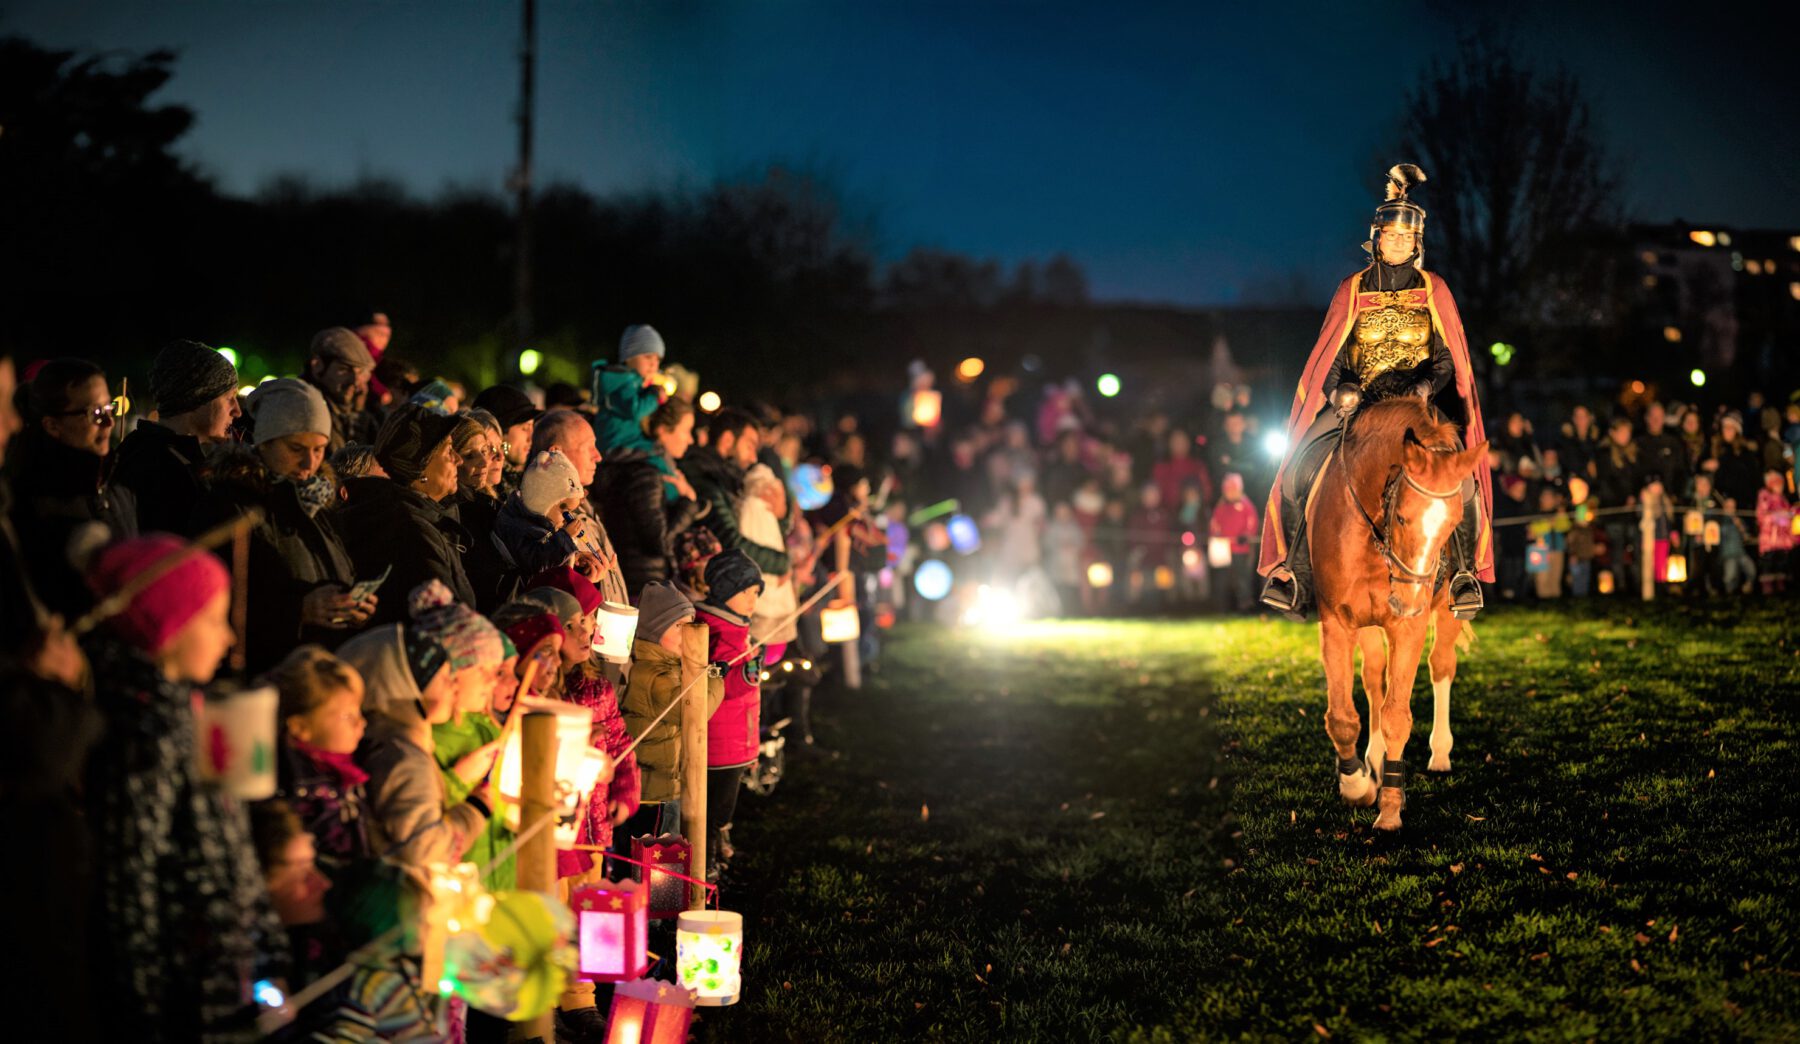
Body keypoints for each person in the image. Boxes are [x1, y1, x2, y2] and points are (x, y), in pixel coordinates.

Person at [1258, 164, 1492, 620]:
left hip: (1415, 406)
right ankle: (1295, 575)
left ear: (1417, 242)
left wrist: (1425, 387)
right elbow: (1331, 354)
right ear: (1377, 238)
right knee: (1295, 473)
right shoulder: (1352, 288)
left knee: (1463, 482)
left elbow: (1448, 358)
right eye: (1392, 236)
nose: (1399, 243)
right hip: (1358, 404)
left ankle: (1463, 575)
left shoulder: (1433, 289)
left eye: (1407, 238)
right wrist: (1341, 388)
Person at [82, 535, 286, 1040]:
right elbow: (129, 880)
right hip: (182, 991)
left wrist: (266, 948)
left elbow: (230, 846)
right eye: (214, 620)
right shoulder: (143, 732)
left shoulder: (185, 714)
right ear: (167, 627)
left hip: (222, 971)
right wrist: (145, 1008)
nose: (229, 639)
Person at [191, 379, 371, 673]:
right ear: (265, 442)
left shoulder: (318, 501)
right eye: (296, 447)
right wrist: (298, 611)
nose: (309, 462)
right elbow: (219, 607)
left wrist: (350, 606)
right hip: (268, 676)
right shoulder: (230, 506)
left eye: (320, 449)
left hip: (319, 673)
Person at [7, 357, 138, 621]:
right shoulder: (31, 502)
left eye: (109, 408)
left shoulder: (118, 489)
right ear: (52, 425)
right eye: (95, 413)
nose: (109, 423)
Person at [338, 622, 475, 869]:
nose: (455, 685)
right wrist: (473, 814)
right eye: (444, 678)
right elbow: (425, 851)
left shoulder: (399, 744)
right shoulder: (402, 757)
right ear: (403, 686)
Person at [337, 402, 476, 620]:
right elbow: (447, 618)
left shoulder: (422, 516)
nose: (458, 460)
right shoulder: (410, 529)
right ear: (421, 468)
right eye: (449, 451)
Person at [111, 339, 240, 534]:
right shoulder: (155, 470)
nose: (237, 411)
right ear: (197, 397)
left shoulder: (177, 458)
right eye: (229, 398)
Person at [618, 581, 709, 845]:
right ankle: (651, 888)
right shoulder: (656, 675)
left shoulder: (668, 666)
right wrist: (712, 678)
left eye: (690, 624)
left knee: (661, 848)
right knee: (657, 852)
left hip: (662, 784)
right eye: (679, 626)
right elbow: (695, 710)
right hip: (653, 792)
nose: (688, 634)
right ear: (655, 631)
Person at [694, 550, 763, 879]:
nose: (754, 600)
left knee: (724, 804)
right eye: (747, 592)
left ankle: (718, 843)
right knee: (714, 805)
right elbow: (720, 684)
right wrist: (749, 673)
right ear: (725, 591)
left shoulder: (736, 626)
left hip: (736, 735)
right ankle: (706, 860)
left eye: (756, 593)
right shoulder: (715, 631)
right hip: (720, 741)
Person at [592, 396, 702, 598]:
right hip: (639, 585)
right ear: (662, 430)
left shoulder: (656, 469)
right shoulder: (645, 474)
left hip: (642, 581)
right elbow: (658, 541)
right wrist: (688, 503)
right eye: (686, 430)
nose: (691, 439)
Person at [532, 409, 630, 604]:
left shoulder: (584, 508)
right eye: (588, 447)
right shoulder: (544, 520)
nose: (598, 456)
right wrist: (584, 584)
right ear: (556, 453)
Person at [681, 407, 792, 577]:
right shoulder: (704, 477)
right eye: (750, 446)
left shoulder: (728, 480)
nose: (753, 458)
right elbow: (730, 541)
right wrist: (783, 563)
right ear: (727, 440)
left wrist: (780, 516)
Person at [593, 323, 668, 455]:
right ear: (629, 357)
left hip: (626, 441)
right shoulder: (621, 381)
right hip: (615, 443)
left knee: (660, 452)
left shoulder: (633, 382)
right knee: (657, 456)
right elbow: (635, 410)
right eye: (648, 357)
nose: (653, 364)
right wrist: (655, 395)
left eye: (658, 360)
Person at [304, 327, 379, 452]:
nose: (355, 381)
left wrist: (358, 414)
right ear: (318, 365)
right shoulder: (305, 406)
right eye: (344, 369)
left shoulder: (360, 407)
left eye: (360, 372)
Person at [1595, 416, 1645, 595]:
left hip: (1632, 511)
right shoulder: (1604, 454)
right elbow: (1606, 482)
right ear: (1613, 433)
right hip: (1614, 510)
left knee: (1636, 547)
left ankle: (1638, 585)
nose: (1626, 436)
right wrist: (1623, 498)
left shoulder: (1633, 453)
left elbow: (1639, 477)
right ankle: (1620, 586)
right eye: (1622, 431)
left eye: (1628, 432)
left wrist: (1634, 496)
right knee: (1617, 548)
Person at [471, 385, 541, 496]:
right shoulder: (492, 489)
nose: (531, 438)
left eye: (532, 427)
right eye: (525, 428)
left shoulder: (521, 483)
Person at [1209, 472, 1260, 612]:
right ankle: (1222, 608)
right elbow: (1214, 524)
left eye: (1233, 490)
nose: (1230, 494)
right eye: (1228, 491)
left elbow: (1252, 524)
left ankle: (1245, 606)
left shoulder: (1246, 506)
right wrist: (1216, 535)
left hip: (1240, 550)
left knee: (1242, 580)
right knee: (1222, 580)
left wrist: (1246, 536)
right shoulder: (1221, 507)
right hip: (1223, 550)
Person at [1755, 468, 1794, 595]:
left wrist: (1788, 517)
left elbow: (1788, 517)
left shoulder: (1783, 499)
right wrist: (1775, 517)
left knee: (1781, 563)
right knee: (1768, 564)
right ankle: (1767, 587)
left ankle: (1781, 585)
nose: (1779, 487)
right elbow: (1761, 517)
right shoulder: (1764, 496)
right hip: (1769, 540)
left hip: (1782, 540)